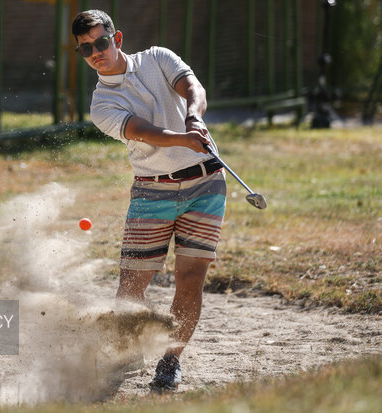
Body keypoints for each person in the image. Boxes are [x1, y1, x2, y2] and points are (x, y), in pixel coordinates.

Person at [71, 10, 227, 393]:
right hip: (151, 189)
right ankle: (129, 349)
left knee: (191, 280)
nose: (95, 53)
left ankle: (170, 361)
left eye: (100, 42)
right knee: (130, 286)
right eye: (85, 49)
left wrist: (195, 118)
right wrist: (183, 137)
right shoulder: (101, 103)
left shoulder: (158, 57)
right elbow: (143, 131)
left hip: (206, 184)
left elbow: (194, 88)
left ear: (117, 38)